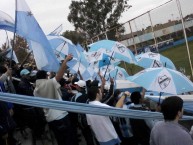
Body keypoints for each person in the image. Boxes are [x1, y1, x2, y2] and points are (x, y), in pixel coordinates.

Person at [34, 54, 77, 145]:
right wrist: (65, 61)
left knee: (60, 140)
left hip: (50, 118)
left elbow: (49, 84)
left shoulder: (36, 90)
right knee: (70, 140)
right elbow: (59, 75)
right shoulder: (49, 83)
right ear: (45, 77)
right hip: (61, 116)